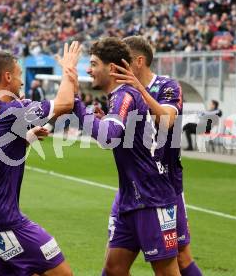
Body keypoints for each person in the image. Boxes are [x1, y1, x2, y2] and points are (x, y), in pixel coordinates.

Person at [0, 43, 80, 275]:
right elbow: (65, 104)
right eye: (19, 75)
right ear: (7, 77)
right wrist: (68, 69)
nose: (21, 82)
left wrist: (25, 138)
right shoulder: (10, 111)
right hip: (3, 220)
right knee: (63, 273)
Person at [73, 37, 180, 276]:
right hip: (130, 198)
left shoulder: (125, 95)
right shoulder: (119, 97)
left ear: (111, 68)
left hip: (152, 197)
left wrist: (76, 105)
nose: (89, 70)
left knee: (167, 272)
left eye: (93, 64)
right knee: (114, 270)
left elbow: (108, 137)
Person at [107, 36, 202, 276]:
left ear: (138, 61)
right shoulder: (122, 92)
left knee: (180, 257)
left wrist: (139, 90)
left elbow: (167, 120)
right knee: (114, 266)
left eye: (123, 60)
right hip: (131, 187)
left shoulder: (168, 86)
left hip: (164, 187)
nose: (117, 65)